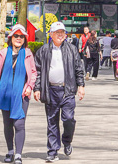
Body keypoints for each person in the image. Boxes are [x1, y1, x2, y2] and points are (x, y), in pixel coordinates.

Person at [33, 21, 86, 163]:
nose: (60, 35)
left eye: (62, 32)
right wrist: (37, 88)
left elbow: (78, 69)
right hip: (50, 90)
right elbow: (37, 71)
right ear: (51, 34)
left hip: (67, 90)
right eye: (57, 32)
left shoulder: (72, 49)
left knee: (68, 119)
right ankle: (52, 151)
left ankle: (67, 141)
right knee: (52, 121)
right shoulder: (43, 51)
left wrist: (81, 86)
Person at [0, 24, 37, 164]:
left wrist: (29, 87)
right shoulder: (3, 53)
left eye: (22, 36)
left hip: (21, 95)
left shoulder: (27, 54)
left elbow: (33, 73)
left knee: (19, 124)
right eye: (16, 36)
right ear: (11, 38)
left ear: (25, 39)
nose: (19, 38)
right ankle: (10, 151)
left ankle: (19, 154)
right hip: (6, 94)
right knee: (8, 124)